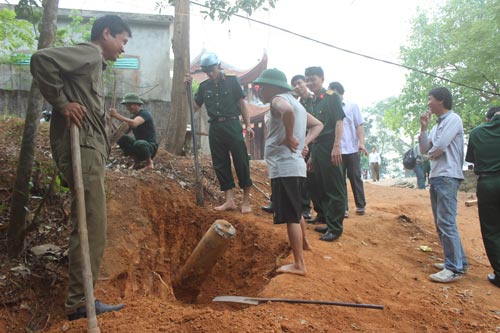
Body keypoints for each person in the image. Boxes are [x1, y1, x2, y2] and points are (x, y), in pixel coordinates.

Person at [30, 15, 131, 320]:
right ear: (106, 34)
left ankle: (80, 299)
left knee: (92, 223)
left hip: (90, 151)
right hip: (83, 150)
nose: (123, 50)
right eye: (123, 41)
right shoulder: (90, 53)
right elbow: (41, 60)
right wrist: (61, 103)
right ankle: (78, 302)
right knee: (92, 225)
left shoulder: (94, 63)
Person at [254, 68, 323, 275]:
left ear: (272, 87)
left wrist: (290, 137)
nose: (259, 91)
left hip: (285, 166)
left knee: (291, 216)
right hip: (295, 166)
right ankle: (305, 245)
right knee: (296, 209)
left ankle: (299, 264)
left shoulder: (278, 100)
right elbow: (318, 125)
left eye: (262, 87)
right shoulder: (298, 104)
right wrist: (304, 143)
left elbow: (287, 112)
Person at [185, 52, 254, 213]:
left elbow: (242, 104)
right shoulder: (203, 87)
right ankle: (229, 200)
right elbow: (194, 107)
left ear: (218, 66)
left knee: (241, 160)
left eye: (212, 69)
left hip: (232, 124)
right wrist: (186, 89)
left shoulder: (232, 81)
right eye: (206, 70)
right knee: (220, 163)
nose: (210, 73)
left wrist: (249, 125)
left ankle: (246, 201)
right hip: (215, 128)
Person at [419, 87, 467, 283]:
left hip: (448, 175)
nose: (428, 103)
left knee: (446, 221)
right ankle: (457, 262)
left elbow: (439, 147)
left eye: (430, 99)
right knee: (442, 222)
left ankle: (453, 268)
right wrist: (423, 128)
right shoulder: (436, 125)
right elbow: (424, 148)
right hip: (438, 175)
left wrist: (429, 154)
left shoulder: (453, 119)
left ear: (441, 100)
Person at [304, 66, 346, 242]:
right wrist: (312, 155)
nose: (309, 82)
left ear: (322, 78)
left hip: (330, 145)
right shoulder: (311, 101)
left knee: (334, 188)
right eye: (307, 79)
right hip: (318, 147)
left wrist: (336, 147)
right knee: (323, 187)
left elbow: (338, 122)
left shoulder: (331, 97)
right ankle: (329, 223)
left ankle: (336, 228)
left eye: (313, 78)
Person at [465, 106, 500, 288]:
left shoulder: (478, 132)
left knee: (492, 230)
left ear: (488, 119)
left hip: (487, 184)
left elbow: (471, 159)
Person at [329, 82, 367, 217]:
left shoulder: (352, 106)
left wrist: (361, 143)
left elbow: (359, 125)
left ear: (341, 93)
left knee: (355, 177)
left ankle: (360, 205)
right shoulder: (330, 108)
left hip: (352, 148)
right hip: (337, 150)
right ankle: (343, 208)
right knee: (339, 180)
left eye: (335, 93)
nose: (333, 96)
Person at [109, 93, 158, 170]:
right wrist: (111, 122)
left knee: (139, 143)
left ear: (137, 104)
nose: (128, 107)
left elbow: (134, 123)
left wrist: (116, 115)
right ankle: (136, 162)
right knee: (122, 138)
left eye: (130, 105)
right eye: (127, 105)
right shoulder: (132, 117)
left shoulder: (144, 113)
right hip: (138, 146)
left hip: (150, 147)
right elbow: (123, 132)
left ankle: (149, 163)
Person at [291, 74, 315, 221]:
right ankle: (302, 207)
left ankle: (311, 209)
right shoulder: (297, 104)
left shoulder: (315, 101)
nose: (297, 87)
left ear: (305, 83)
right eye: (294, 85)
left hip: (314, 141)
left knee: (312, 176)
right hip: (301, 142)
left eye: (299, 83)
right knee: (301, 175)